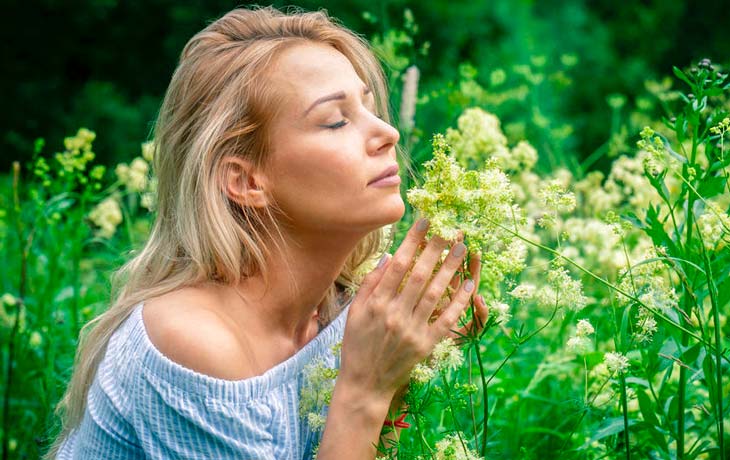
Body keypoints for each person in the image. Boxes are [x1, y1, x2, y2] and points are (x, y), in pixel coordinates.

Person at [46, 6, 487, 459]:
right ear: (245, 180)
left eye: (370, 108)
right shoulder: (194, 344)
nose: (389, 133)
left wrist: (400, 372)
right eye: (337, 120)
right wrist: (365, 389)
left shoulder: (347, 314)